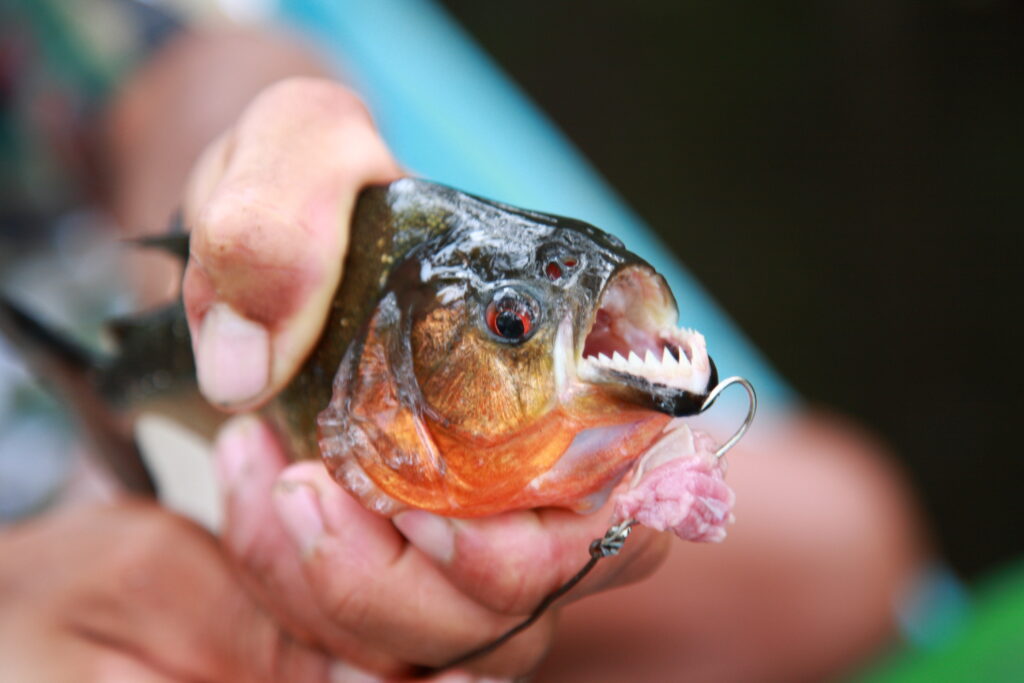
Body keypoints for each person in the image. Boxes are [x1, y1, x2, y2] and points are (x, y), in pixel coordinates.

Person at [0, 16, 929, 683]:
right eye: (515, 326)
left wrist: (245, 171)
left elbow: (177, 64)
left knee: (838, 546)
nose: (529, 327)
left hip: (149, 337)